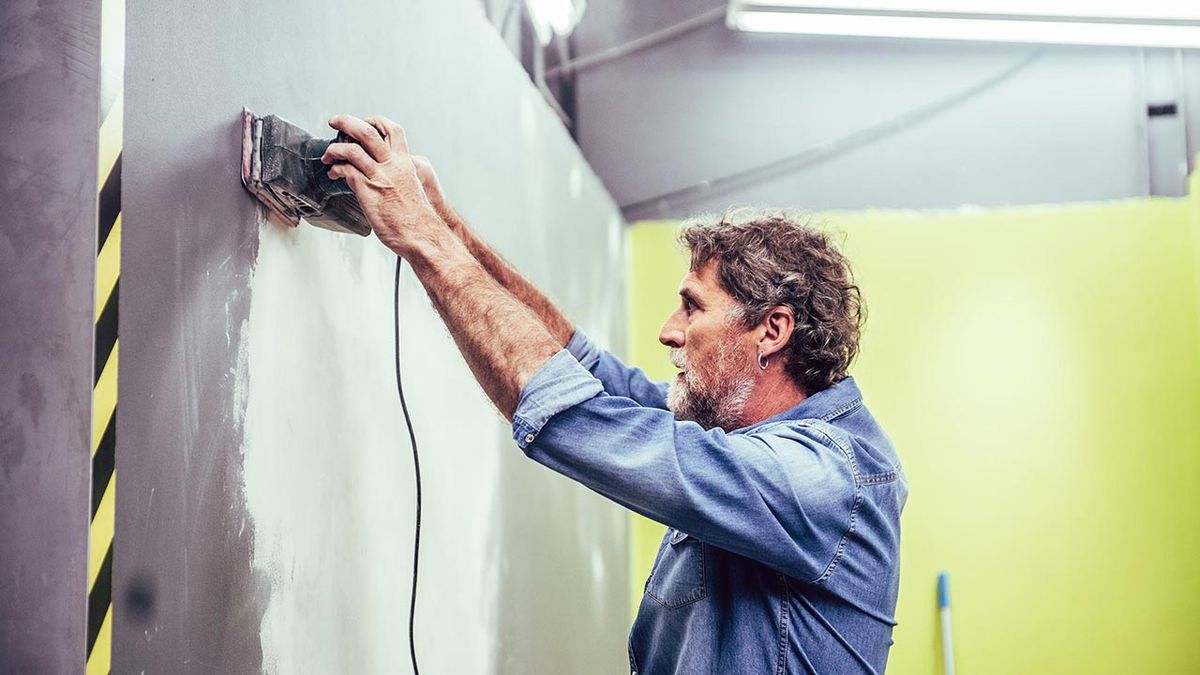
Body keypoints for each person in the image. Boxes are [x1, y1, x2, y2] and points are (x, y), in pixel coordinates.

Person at [321, 114, 907, 674]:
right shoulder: (737, 432)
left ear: (771, 331)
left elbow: (576, 416)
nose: (669, 331)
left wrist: (423, 239)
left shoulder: (818, 478)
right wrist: (444, 224)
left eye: (692, 307)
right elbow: (591, 373)